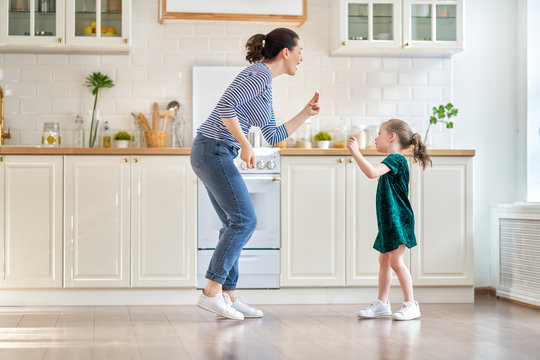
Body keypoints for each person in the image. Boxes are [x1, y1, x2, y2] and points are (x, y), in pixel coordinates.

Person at [191, 28, 320, 320]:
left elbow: (273, 135)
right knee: (244, 220)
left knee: (232, 223)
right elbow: (226, 107)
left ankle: (228, 295)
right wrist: (246, 143)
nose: (302, 57)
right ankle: (212, 292)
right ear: (285, 52)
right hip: (212, 149)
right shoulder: (259, 74)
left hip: (213, 151)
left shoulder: (264, 83)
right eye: (300, 51)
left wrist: (305, 113)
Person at [347, 119, 431, 321]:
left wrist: (356, 152)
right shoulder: (393, 163)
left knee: (395, 261)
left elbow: (371, 172)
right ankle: (382, 303)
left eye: (379, 133)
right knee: (384, 260)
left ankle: (411, 304)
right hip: (387, 221)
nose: (375, 138)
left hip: (398, 220)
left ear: (392, 136)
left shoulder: (396, 159)